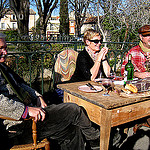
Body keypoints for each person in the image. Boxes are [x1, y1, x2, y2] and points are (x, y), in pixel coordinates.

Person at [0, 33, 101, 150]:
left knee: (72, 131)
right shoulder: (83, 56)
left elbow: (21, 84)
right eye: (1, 48)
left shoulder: (3, 68)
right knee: (74, 110)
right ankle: (96, 141)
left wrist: (37, 96)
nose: (6, 52)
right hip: (18, 126)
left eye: (6, 48)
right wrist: (25, 111)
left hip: (31, 116)